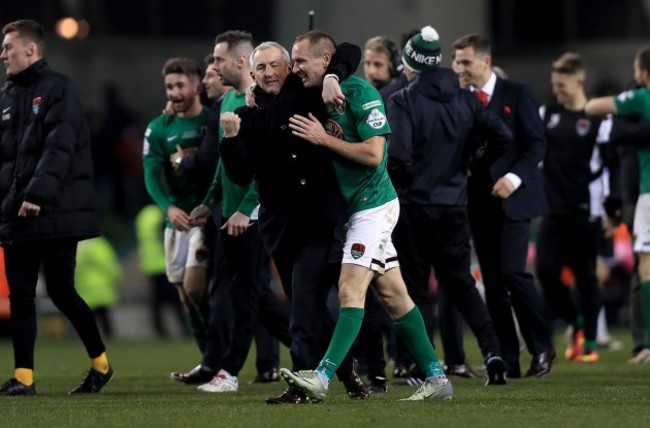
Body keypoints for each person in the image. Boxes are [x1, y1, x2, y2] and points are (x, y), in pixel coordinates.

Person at [277, 30, 454, 402]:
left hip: (373, 205)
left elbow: (375, 155)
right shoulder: (318, 89)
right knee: (395, 297)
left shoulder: (362, 95)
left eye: (300, 60)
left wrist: (324, 139)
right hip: (356, 209)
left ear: (324, 61)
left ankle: (321, 378)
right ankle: (438, 379)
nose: (295, 68)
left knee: (349, 289)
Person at [218, 40, 369, 404]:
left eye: (276, 65)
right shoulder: (249, 117)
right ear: (251, 75)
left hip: (318, 222)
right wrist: (230, 138)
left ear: (290, 68)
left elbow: (348, 49)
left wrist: (332, 76)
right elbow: (240, 175)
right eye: (262, 68)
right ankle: (348, 372)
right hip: (279, 228)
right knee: (310, 308)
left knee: (302, 308)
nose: (269, 73)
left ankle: (302, 382)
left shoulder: (309, 91)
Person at [387, 25, 511, 386]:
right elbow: (502, 137)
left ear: (411, 65)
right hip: (455, 205)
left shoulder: (403, 100)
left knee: (415, 289)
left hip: (413, 208)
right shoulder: (466, 99)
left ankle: (421, 366)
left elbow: (399, 156)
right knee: (461, 286)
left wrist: (406, 180)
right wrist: (473, 160)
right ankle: (492, 351)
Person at [0, 19, 112, 396]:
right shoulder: (7, 97)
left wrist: (38, 194)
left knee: (62, 292)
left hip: (54, 210)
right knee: (21, 297)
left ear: (30, 50)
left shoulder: (58, 89)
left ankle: (101, 363)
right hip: (15, 213)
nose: (2, 56)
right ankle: (24, 378)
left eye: (8, 48)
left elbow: (60, 146)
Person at [185, 31, 293, 393]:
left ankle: (229, 372)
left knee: (246, 294)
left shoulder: (260, 105)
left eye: (218, 60)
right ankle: (319, 349)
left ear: (240, 62)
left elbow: (263, 167)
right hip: (228, 214)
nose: (213, 67)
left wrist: (247, 209)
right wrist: (211, 201)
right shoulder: (227, 102)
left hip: (253, 216)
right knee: (254, 296)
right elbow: (223, 162)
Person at [453, 33, 554, 378]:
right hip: (478, 202)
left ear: (484, 61)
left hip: (516, 198)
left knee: (515, 274)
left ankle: (542, 348)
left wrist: (513, 178)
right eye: (457, 62)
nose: (460, 69)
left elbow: (536, 145)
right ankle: (508, 355)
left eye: (465, 62)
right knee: (494, 284)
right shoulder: (460, 99)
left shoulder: (518, 93)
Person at [535, 52, 621, 362]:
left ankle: (592, 344)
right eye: (554, 84)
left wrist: (613, 210)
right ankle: (576, 322)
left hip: (587, 209)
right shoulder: (547, 115)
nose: (557, 90)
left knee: (585, 276)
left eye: (562, 84)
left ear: (579, 82)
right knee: (545, 271)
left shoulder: (599, 121)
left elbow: (613, 166)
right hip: (552, 208)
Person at [585, 45, 650, 363]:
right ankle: (644, 341)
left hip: (644, 194)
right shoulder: (636, 97)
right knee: (643, 269)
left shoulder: (638, 98)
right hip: (637, 193)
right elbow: (620, 137)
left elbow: (595, 109)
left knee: (645, 267)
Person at [142, 57, 211, 355]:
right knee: (185, 298)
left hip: (205, 218)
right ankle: (209, 359)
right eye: (170, 86)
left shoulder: (212, 120)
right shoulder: (158, 128)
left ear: (197, 86)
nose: (174, 92)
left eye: (180, 85)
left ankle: (221, 352)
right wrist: (167, 208)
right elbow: (150, 174)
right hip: (177, 221)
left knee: (196, 288)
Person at [134, 204, 190, 338]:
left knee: (157, 300)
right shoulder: (162, 214)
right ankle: (184, 328)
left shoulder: (142, 216)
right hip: (165, 262)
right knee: (175, 298)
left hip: (151, 264)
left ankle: (159, 329)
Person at [74, 236, 121, 339]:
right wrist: (116, 277)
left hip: (83, 289)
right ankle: (109, 340)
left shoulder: (76, 245)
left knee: (87, 321)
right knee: (105, 319)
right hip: (101, 287)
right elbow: (108, 263)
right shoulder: (98, 244)